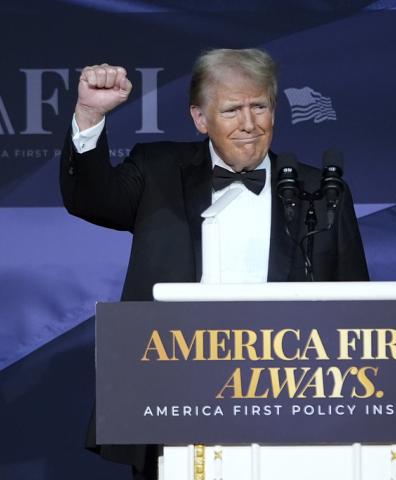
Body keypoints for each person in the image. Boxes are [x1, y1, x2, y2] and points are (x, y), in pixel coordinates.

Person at [59, 48, 368, 480]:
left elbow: (358, 301)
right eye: (231, 110)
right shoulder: (157, 169)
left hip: (286, 397)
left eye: (259, 106)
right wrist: (89, 114)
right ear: (200, 119)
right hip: (173, 392)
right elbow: (88, 198)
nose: (249, 123)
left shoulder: (320, 189)